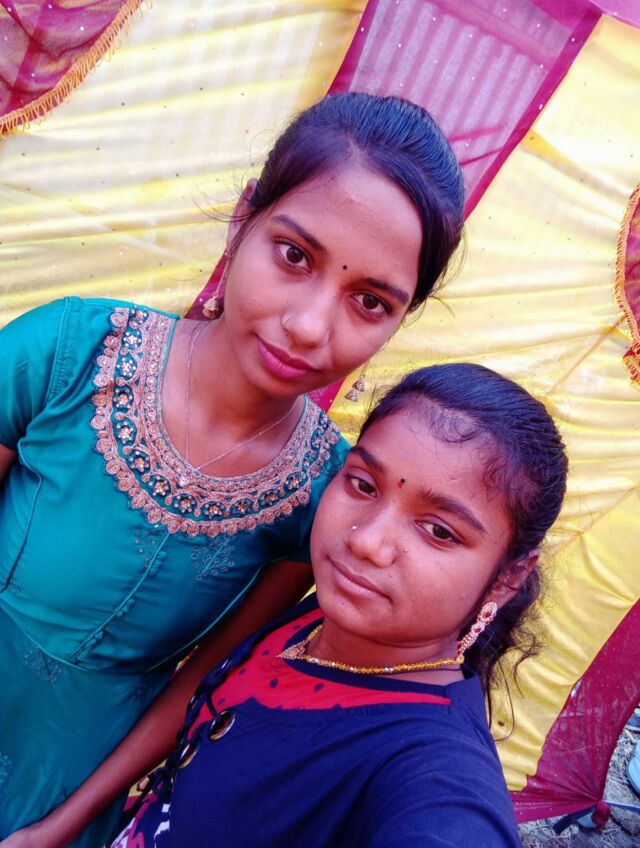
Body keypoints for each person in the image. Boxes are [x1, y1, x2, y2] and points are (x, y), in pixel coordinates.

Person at [0, 93, 464, 847]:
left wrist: (64, 825)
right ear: (244, 219)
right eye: (294, 255)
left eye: (370, 301)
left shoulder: (322, 497)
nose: (309, 325)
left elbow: (201, 680)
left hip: (69, 787)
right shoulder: (69, 355)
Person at [102, 362, 568, 848]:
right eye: (363, 485)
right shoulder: (317, 618)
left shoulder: (435, 773)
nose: (366, 542)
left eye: (438, 531)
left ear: (508, 577)